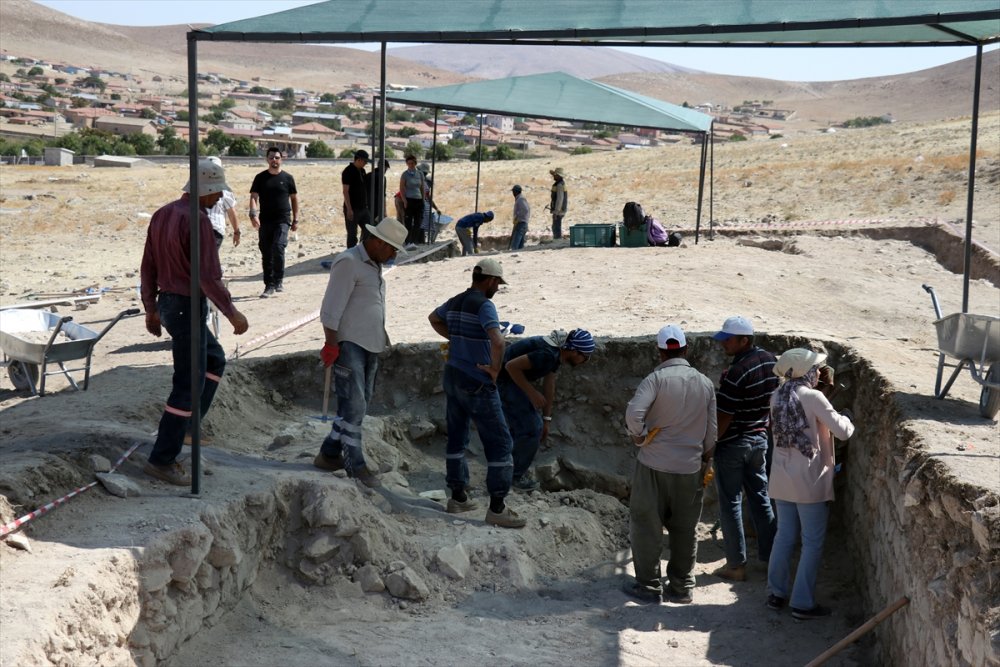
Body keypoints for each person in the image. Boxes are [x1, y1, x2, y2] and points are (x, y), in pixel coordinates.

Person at [140, 160, 249, 486]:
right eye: (215, 193)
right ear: (204, 191)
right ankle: (162, 459)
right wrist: (231, 312)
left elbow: (148, 264)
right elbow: (208, 276)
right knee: (188, 382)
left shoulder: (162, 214)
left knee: (213, 359)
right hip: (187, 305)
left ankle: (188, 428)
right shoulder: (198, 220)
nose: (219, 200)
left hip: (171, 305)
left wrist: (151, 306)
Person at [427, 258, 526, 529]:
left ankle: (457, 497)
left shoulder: (457, 300)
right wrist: (495, 369)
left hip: (453, 375)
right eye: (498, 284)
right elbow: (498, 339)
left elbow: (434, 318)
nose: (497, 288)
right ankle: (497, 507)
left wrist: (457, 339)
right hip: (476, 380)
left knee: (457, 438)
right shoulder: (485, 305)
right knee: (501, 442)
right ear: (492, 281)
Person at [622, 325, 717, 604]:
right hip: (689, 468)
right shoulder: (705, 383)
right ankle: (682, 586)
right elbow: (711, 431)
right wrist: (706, 459)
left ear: (660, 351)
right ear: (686, 350)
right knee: (686, 529)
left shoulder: (656, 379)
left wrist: (639, 437)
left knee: (647, 524)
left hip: (653, 464)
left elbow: (633, 413)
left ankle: (649, 587)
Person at [313, 217, 408, 488]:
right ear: (378, 242)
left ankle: (329, 453)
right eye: (391, 249)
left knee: (359, 403)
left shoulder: (374, 265)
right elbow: (331, 306)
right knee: (354, 405)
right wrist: (331, 343)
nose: (392, 255)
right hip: (350, 342)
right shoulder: (349, 262)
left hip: (371, 342)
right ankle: (355, 463)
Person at [766, 348, 855, 620]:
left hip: (782, 479)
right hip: (809, 481)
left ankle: (776, 593)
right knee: (812, 543)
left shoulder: (777, 395)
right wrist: (847, 417)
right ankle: (802, 603)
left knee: (784, 537)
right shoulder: (813, 396)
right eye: (814, 368)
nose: (818, 372)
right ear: (804, 372)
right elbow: (842, 431)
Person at [711, 315, 779, 582]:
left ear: (744, 340)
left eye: (728, 340)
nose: (723, 344)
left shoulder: (737, 372)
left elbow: (725, 415)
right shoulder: (771, 360)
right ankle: (774, 558)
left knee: (730, 503)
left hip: (733, 444)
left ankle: (736, 566)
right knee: (761, 498)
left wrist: (711, 444)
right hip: (759, 440)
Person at [497, 329, 596, 491]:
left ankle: (506, 471)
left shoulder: (557, 355)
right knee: (531, 428)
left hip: (510, 380)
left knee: (529, 427)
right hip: (503, 380)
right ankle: (513, 478)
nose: (585, 360)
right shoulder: (548, 355)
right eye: (585, 356)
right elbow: (510, 366)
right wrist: (531, 392)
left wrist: (547, 419)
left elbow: (549, 383)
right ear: (574, 351)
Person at [249, 146, 298, 298]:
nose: (274, 160)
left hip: (283, 219)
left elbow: (294, 199)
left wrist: (296, 219)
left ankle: (279, 280)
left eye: (277, 157)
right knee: (266, 252)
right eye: (271, 158)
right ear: (267, 159)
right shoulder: (260, 178)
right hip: (265, 220)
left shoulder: (288, 178)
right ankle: (268, 285)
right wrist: (253, 214)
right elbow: (253, 197)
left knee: (278, 247)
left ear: (281, 159)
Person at [204, 156, 240, 250]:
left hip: (215, 230)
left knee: (207, 260)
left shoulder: (225, 190)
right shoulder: (195, 187)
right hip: (198, 229)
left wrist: (237, 232)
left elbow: (231, 212)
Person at [342, 149, 370, 248]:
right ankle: (351, 254)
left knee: (369, 229)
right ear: (359, 160)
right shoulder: (348, 171)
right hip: (353, 208)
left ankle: (363, 249)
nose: (366, 164)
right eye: (365, 161)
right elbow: (345, 191)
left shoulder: (362, 171)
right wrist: (349, 209)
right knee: (352, 234)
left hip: (363, 208)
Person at [399, 154, 427, 246]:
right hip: (409, 200)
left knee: (418, 222)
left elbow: (422, 187)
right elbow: (402, 188)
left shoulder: (420, 174)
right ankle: (407, 241)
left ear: (415, 163)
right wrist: (404, 200)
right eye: (409, 163)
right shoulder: (405, 174)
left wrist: (423, 199)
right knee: (408, 222)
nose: (410, 165)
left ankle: (414, 241)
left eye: (412, 163)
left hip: (418, 200)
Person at [367, 158, 390, 222]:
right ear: (384, 167)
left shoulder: (368, 175)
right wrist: (384, 211)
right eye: (386, 168)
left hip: (367, 205)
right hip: (377, 206)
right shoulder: (382, 178)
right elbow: (383, 195)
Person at [548, 167, 568, 239]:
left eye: (555, 175)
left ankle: (557, 240)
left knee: (556, 226)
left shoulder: (559, 185)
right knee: (556, 225)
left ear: (559, 176)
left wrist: (556, 212)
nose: (553, 176)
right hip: (560, 209)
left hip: (559, 210)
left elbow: (560, 199)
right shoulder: (560, 184)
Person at [509, 184, 530, 251]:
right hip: (521, 223)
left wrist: (517, 218)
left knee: (515, 243)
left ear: (516, 192)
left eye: (513, 191)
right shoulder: (519, 199)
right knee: (520, 245)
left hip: (521, 223)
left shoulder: (521, 199)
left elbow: (525, 210)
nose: (513, 193)